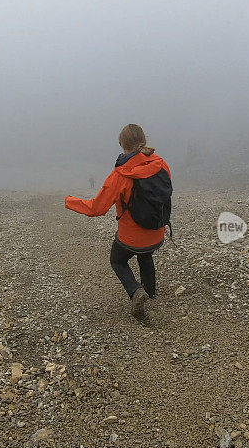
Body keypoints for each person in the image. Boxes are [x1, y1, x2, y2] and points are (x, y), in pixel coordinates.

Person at [65, 124, 171, 320]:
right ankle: (150, 292)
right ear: (144, 140)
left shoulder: (120, 175)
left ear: (122, 144)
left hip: (132, 237)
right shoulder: (161, 165)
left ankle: (136, 292)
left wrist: (69, 201)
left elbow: (97, 209)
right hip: (157, 232)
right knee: (145, 255)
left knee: (117, 260)